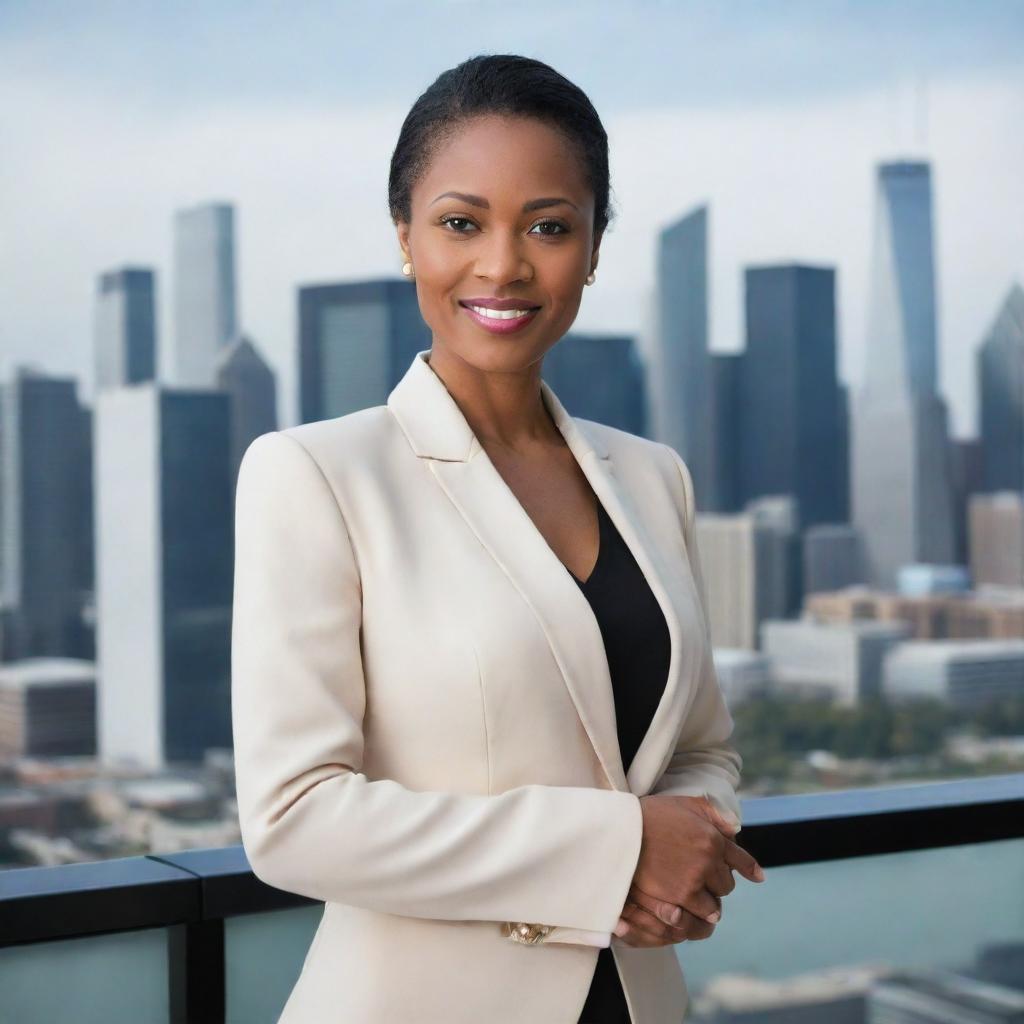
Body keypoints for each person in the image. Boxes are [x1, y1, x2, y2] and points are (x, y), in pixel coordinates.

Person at [231, 53, 765, 1024]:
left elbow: (700, 747)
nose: (503, 265)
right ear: (405, 237)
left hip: (640, 998)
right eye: (460, 222)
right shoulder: (314, 475)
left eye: (549, 227)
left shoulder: (652, 477)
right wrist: (614, 855)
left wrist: (684, 847)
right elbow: (292, 819)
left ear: (595, 246)